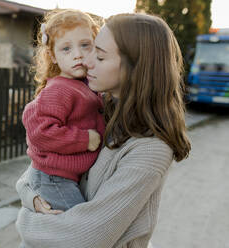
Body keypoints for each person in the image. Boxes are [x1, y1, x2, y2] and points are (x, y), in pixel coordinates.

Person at [16, 12, 191, 248]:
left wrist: (25, 220)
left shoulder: (151, 149)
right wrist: (32, 197)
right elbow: (35, 171)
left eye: (98, 55)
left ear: (134, 67)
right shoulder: (101, 111)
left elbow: (83, 238)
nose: (85, 61)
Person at [21, 9, 106, 211]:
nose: (77, 54)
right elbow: (41, 132)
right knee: (79, 228)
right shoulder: (60, 89)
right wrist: (85, 139)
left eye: (85, 45)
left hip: (66, 176)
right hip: (54, 178)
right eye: (66, 49)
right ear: (53, 56)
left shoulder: (86, 84)